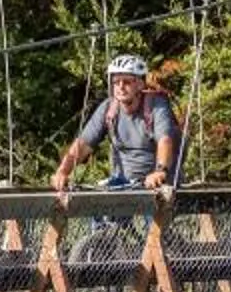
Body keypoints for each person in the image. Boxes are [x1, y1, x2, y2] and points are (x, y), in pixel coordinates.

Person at [52, 54, 181, 191]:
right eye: (116, 82)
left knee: (159, 198)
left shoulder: (157, 106)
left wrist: (160, 171)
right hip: (122, 184)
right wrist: (63, 171)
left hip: (156, 184)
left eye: (127, 82)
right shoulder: (109, 108)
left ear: (140, 84)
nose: (121, 87)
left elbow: (165, 141)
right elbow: (83, 145)